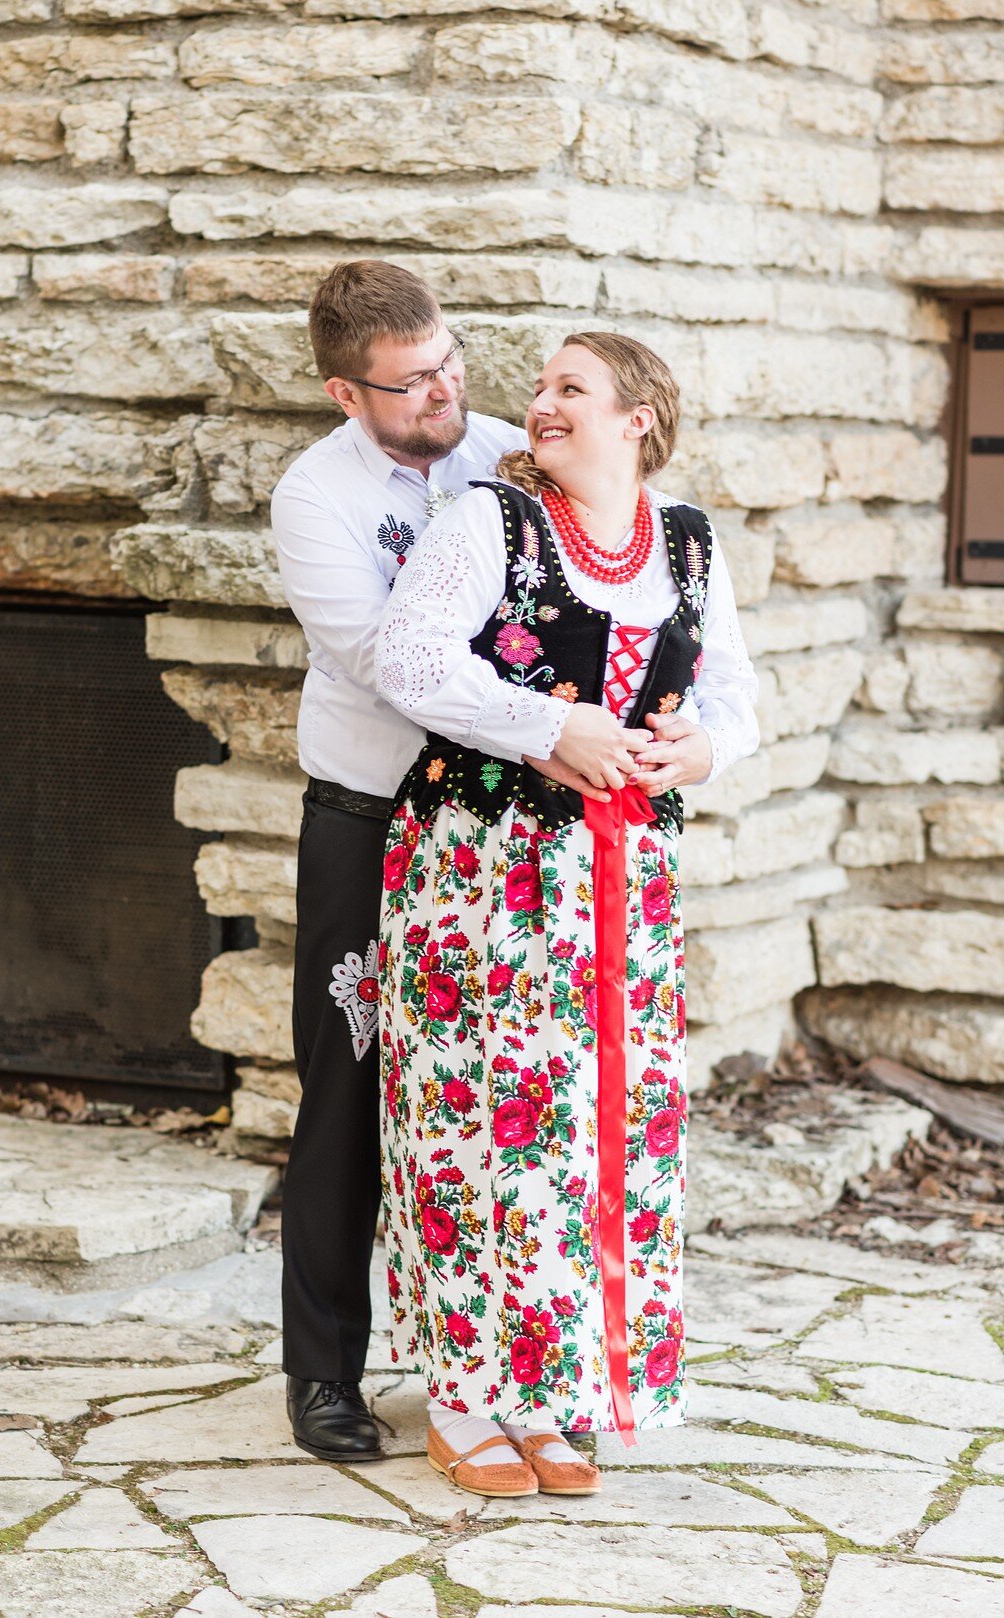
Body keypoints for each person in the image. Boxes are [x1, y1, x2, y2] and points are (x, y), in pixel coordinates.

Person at [374, 331, 760, 1497]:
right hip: (482, 873)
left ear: (637, 416)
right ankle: (461, 1392)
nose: (539, 406)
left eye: (569, 390)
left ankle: (550, 1391)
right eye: (540, 388)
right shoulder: (489, 524)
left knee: (593, 1134)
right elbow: (410, 656)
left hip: (623, 885)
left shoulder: (687, 543)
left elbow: (737, 695)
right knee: (473, 1123)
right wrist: (554, 728)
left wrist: (702, 747)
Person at [270, 261, 528, 1462]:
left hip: (504, 834)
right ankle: (323, 1372)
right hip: (371, 821)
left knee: (501, 1094)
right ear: (345, 390)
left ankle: (487, 1363)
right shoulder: (314, 497)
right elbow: (388, 660)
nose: (447, 392)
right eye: (415, 379)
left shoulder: (516, 454)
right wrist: (542, 699)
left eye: (451, 360)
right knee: (349, 1086)